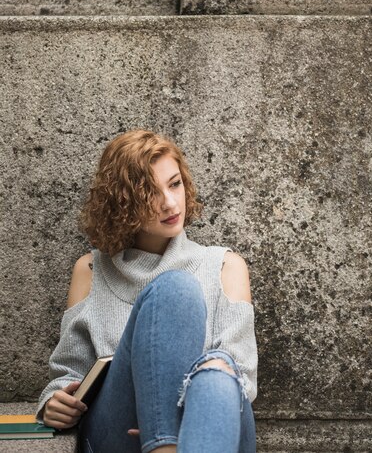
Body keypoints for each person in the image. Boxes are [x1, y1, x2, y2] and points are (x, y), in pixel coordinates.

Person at [37, 129, 258, 453]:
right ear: (122, 201)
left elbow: (243, 384)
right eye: (150, 192)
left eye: (175, 183)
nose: (170, 203)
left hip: (209, 431)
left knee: (216, 374)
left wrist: (175, 412)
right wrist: (53, 402)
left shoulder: (225, 266)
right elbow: (68, 375)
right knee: (176, 291)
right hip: (118, 431)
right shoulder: (90, 270)